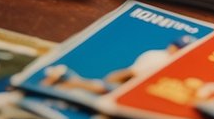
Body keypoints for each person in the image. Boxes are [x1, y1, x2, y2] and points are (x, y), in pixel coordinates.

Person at [41, 34, 198, 95]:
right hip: (131, 89)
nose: (176, 49)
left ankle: (63, 78)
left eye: (180, 48)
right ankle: (61, 78)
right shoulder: (159, 57)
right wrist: (110, 82)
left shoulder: (170, 61)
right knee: (98, 87)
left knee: (97, 87)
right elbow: (131, 73)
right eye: (177, 46)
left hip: (138, 90)